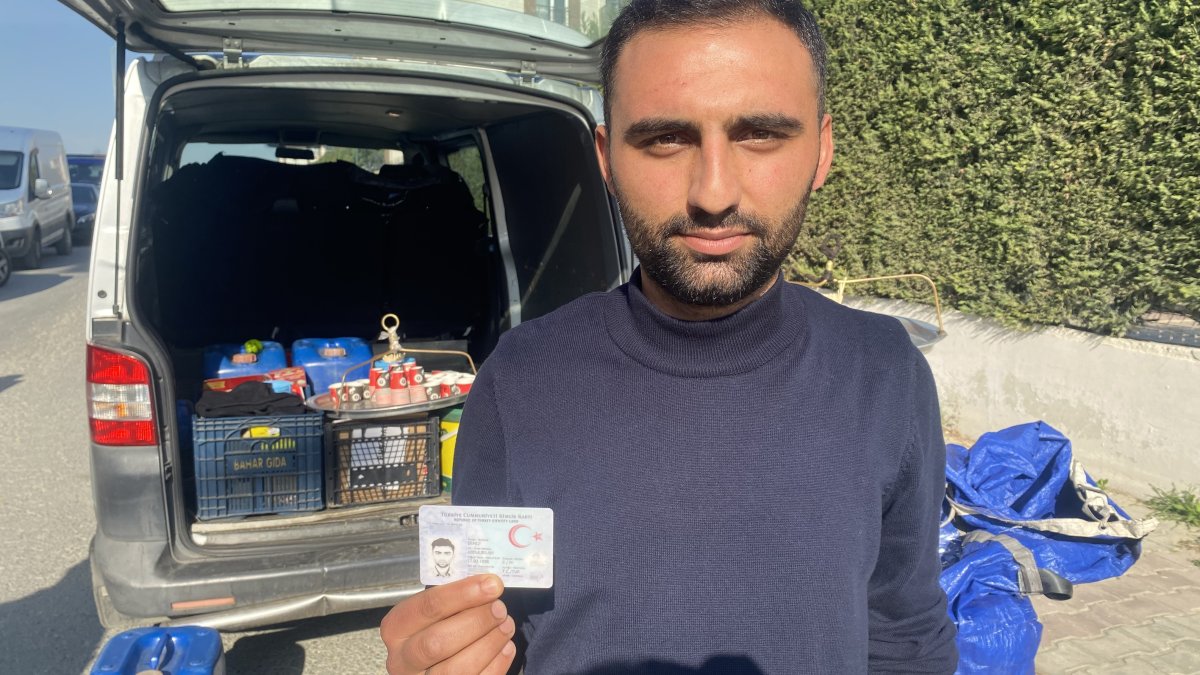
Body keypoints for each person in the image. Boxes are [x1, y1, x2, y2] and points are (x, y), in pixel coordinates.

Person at [380, 0, 958, 672]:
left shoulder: (886, 373)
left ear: (822, 150)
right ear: (606, 156)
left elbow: (903, 632)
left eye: (761, 134)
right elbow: (489, 628)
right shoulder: (520, 380)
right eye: (665, 139)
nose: (713, 193)